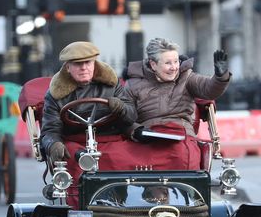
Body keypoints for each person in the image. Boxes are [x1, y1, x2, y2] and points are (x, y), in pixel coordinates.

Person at [40, 41, 136, 208]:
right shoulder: (55, 94)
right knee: (71, 156)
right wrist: (53, 144)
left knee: (126, 156)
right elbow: (50, 130)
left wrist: (121, 108)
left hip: (109, 139)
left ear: (95, 64)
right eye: (78, 64)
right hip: (75, 142)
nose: (84, 67)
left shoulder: (112, 85)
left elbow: (131, 116)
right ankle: (80, 209)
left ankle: (123, 207)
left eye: (88, 62)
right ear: (68, 67)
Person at [121, 39, 231, 170]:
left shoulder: (187, 77)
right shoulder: (133, 84)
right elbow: (124, 117)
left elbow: (208, 89)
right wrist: (136, 131)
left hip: (181, 136)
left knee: (182, 155)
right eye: (168, 63)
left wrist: (220, 76)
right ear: (153, 64)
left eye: (176, 61)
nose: (174, 67)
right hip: (148, 140)